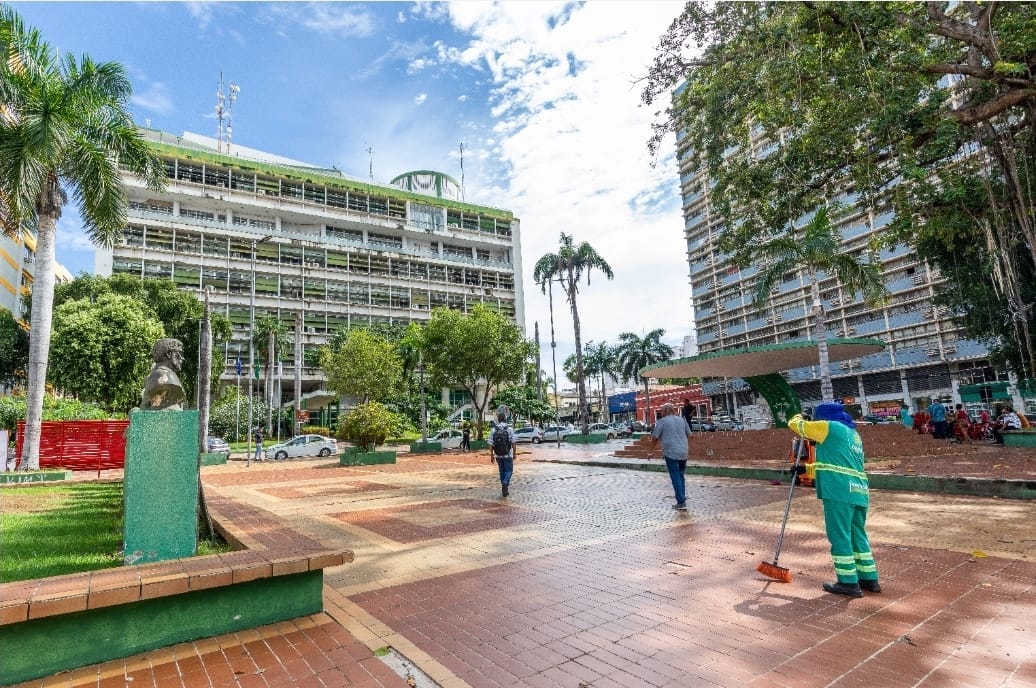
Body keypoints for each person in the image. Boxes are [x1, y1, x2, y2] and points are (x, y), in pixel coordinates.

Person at [789, 402, 880, 598]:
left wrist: (799, 418)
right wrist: (807, 469)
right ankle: (869, 579)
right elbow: (837, 464)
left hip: (839, 491)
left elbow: (797, 426)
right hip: (859, 490)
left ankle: (848, 582)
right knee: (858, 535)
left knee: (839, 535)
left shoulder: (828, 426)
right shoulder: (852, 434)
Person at [649, 402, 693, 511]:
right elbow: (691, 436)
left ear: (664, 411)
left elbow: (655, 438)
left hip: (671, 453)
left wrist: (650, 451)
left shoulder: (661, 422)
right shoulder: (682, 420)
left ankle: (681, 502)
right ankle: (681, 497)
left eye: (661, 411)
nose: (661, 413)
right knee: (681, 475)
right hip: (683, 452)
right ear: (673, 410)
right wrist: (684, 444)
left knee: (675, 477)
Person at [139, 338, 187, 410]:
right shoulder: (165, 376)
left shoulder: (154, 375)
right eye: (180, 353)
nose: (182, 358)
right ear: (169, 354)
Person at [489, 409, 518, 497]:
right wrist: (514, 453)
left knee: (501, 471)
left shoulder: (493, 430)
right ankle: (505, 482)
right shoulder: (509, 429)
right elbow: (513, 442)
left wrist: (492, 455)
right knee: (509, 470)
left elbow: (490, 444)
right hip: (507, 454)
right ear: (505, 419)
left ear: (498, 419)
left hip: (498, 455)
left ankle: (504, 488)